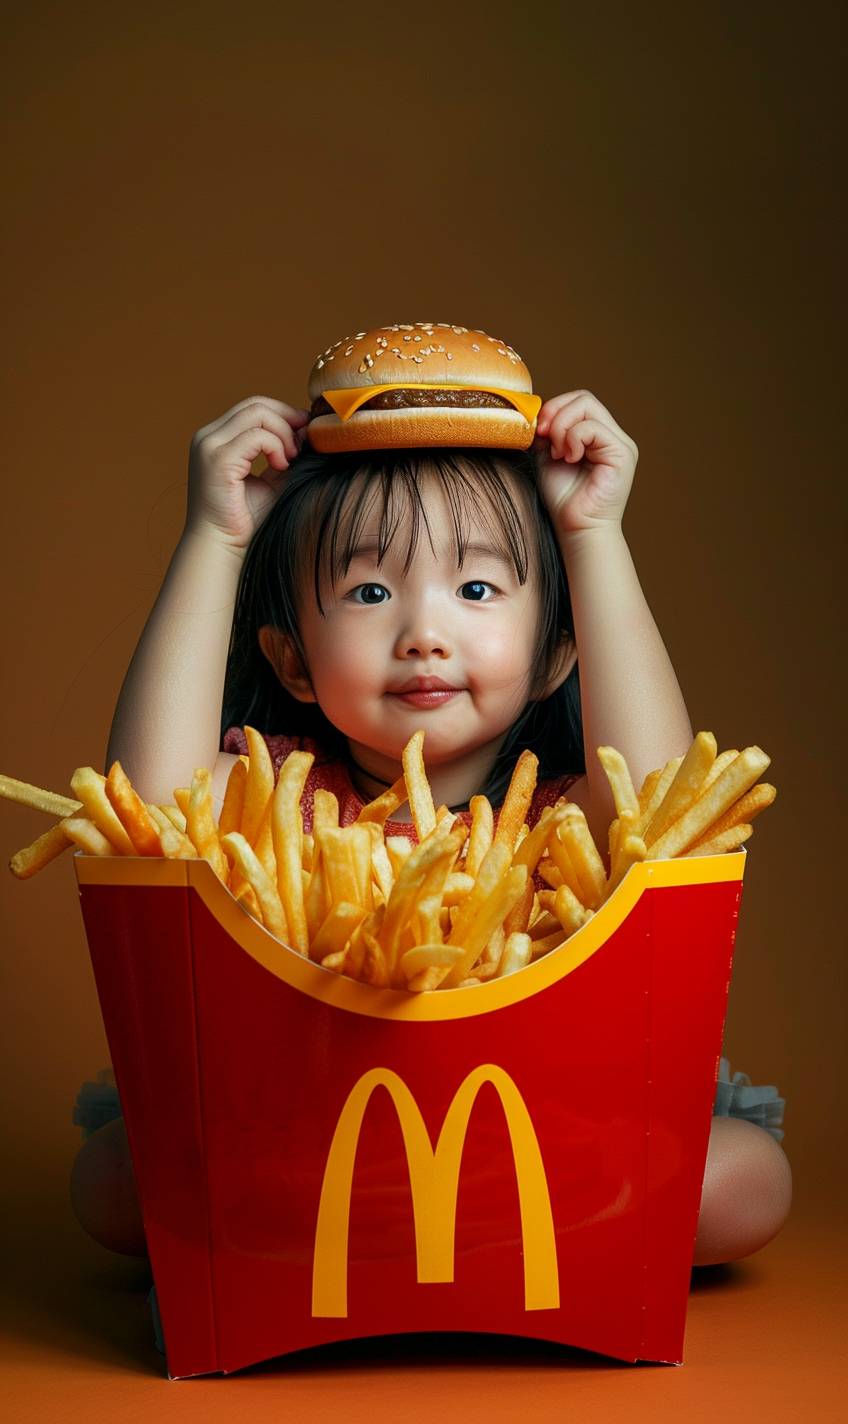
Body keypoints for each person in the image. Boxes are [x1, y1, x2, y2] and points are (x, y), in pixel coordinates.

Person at [70, 389, 791, 1273]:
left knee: (744, 1180)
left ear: (556, 657)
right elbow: (143, 800)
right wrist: (214, 542)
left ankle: (456, 1247)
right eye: (370, 590)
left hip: (541, 1144)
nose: (424, 635)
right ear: (293, 662)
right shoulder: (274, 796)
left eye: (477, 587)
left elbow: (664, 808)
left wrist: (593, 537)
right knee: (113, 1186)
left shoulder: (567, 817)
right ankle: (422, 1249)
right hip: (312, 1143)